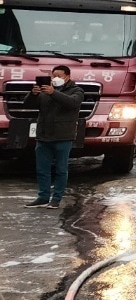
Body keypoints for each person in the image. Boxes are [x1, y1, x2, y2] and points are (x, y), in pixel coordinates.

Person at [22, 65, 84, 209]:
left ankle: (56, 198)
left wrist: (53, 93)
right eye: (53, 75)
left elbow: (72, 103)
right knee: (42, 169)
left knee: (61, 169)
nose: (55, 78)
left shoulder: (76, 90)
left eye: (59, 76)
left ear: (68, 76)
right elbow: (28, 104)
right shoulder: (45, 91)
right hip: (43, 136)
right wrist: (33, 94)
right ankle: (43, 197)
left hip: (63, 136)